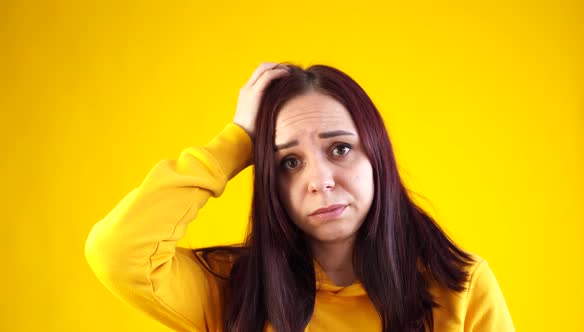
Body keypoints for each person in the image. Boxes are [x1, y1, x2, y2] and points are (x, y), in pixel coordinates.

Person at [85, 62, 514, 332]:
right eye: (289, 162)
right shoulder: (232, 292)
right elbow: (118, 253)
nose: (319, 180)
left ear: (377, 157)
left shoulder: (461, 288)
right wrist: (237, 142)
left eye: (340, 149)